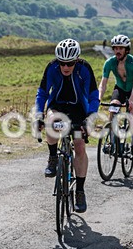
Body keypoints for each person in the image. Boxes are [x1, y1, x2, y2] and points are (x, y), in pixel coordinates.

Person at [35, 38, 99, 213]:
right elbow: (42, 93)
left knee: (79, 145)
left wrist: (90, 118)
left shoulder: (84, 69)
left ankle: (79, 190)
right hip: (57, 106)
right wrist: (39, 114)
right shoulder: (51, 67)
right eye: (62, 63)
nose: (65, 67)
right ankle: (53, 157)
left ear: (76, 60)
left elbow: (94, 95)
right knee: (51, 123)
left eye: (70, 63)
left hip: (79, 110)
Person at [97, 34, 133, 159]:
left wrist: (131, 100)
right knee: (113, 109)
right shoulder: (110, 63)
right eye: (115, 48)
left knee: (132, 118)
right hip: (120, 88)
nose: (117, 51)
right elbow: (103, 83)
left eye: (121, 48)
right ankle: (113, 143)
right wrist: (98, 98)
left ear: (126, 49)